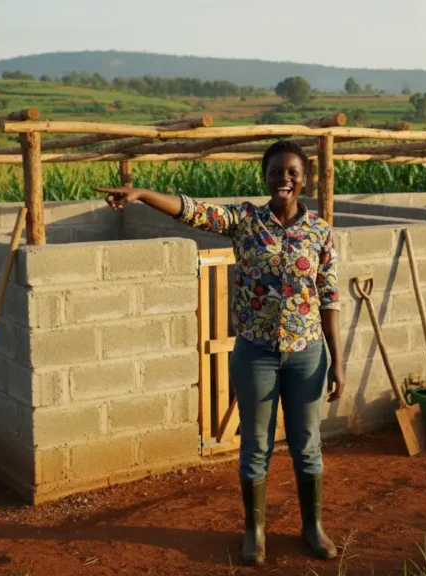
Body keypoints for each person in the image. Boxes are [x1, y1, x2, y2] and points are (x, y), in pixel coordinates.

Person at [100, 140, 345, 566]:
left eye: (292, 172)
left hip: (307, 353)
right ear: (264, 177)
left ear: (305, 178)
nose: (283, 179)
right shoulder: (246, 220)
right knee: (255, 445)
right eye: (275, 172)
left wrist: (337, 360)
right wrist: (141, 195)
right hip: (257, 354)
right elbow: (192, 209)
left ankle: (312, 527)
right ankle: (255, 533)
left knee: (307, 445)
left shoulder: (320, 231)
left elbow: (329, 296)